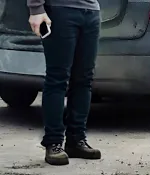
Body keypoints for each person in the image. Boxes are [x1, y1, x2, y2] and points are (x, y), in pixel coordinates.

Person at [27, 0, 102, 165]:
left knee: (84, 79)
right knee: (57, 78)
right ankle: (53, 143)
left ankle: (76, 140)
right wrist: (36, 8)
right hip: (60, 10)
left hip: (91, 11)